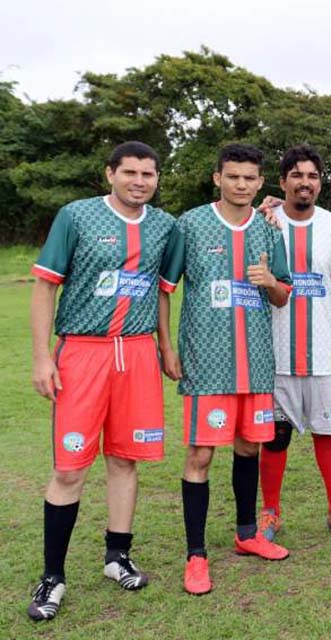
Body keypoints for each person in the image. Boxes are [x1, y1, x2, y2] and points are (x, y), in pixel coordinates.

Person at [27, 141, 178, 620]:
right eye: (130, 172)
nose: (140, 181)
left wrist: (165, 347)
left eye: (148, 174)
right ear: (110, 174)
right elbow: (46, 285)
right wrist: (40, 358)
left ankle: (118, 555)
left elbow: (160, 291)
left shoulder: (165, 226)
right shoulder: (76, 216)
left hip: (135, 355)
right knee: (70, 469)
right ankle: (53, 576)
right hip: (83, 353)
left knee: (125, 459)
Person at [158, 143, 293, 595]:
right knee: (199, 455)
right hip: (205, 361)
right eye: (232, 176)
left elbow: (283, 295)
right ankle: (195, 555)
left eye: (250, 178)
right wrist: (166, 344)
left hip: (254, 363)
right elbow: (164, 287)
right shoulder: (191, 224)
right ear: (217, 178)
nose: (241, 184)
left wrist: (271, 282)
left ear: (260, 183)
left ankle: (247, 533)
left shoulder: (270, 231)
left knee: (249, 450)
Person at [255, 144, 331, 541]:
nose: (305, 183)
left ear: (320, 183)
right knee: (276, 436)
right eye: (297, 175)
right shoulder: (263, 221)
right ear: (282, 181)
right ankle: (270, 513)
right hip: (274, 351)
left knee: (327, 432)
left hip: (321, 352)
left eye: (313, 176)